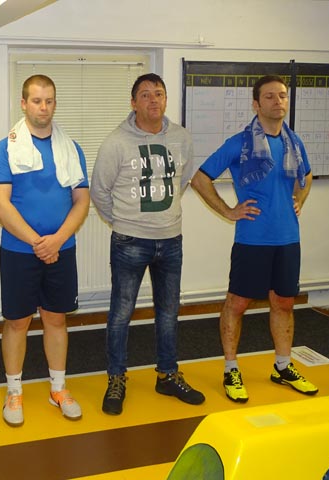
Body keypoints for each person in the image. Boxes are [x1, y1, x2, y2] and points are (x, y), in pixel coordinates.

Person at [191, 74, 317, 403]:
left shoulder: (294, 142)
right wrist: (229, 211)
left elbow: (307, 176)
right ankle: (231, 369)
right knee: (237, 304)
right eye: (270, 96)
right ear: (256, 104)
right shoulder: (239, 143)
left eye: (283, 95)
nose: (278, 101)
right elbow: (200, 179)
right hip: (253, 240)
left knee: (284, 303)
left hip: (287, 238)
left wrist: (299, 199)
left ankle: (283, 366)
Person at [91, 73, 205, 416]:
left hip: (171, 240)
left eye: (158, 93)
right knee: (121, 313)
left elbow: (181, 181)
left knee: (169, 312)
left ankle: (167, 375)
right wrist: (123, 222)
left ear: (165, 99)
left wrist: (162, 218)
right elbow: (99, 191)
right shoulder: (116, 142)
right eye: (145, 94)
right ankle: (116, 378)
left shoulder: (181, 138)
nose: (153, 100)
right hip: (130, 241)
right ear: (133, 103)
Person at [0, 74, 90, 427]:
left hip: (61, 249)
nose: (43, 107)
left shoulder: (71, 149)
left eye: (49, 101)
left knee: (56, 318)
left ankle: (58, 389)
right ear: (23, 103)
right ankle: (14, 391)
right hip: (20, 252)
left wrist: (57, 240)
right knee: (17, 321)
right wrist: (39, 242)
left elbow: (81, 200)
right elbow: (0, 205)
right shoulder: (5, 149)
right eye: (36, 100)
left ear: (55, 104)